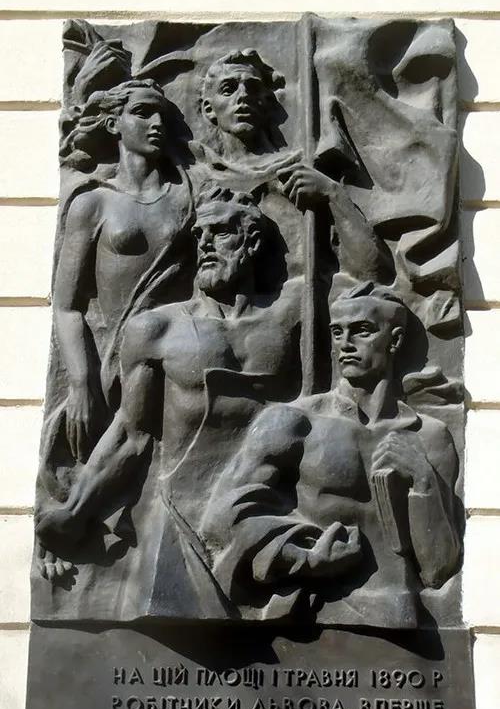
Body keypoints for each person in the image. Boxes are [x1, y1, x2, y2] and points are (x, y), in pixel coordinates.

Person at [36, 184, 302, 585]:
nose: (206, 245)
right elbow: (131, 433)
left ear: (251, 242)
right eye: (199, 235)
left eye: (221, 232)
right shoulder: (156, 329)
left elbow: (373, 279)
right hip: (183, 513)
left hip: (272, 509)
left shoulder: (292, 310)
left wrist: (331, 196)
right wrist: (74, 513)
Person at [200, 281, 461, 624]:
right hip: (310, 622)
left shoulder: (430, 436)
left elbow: (438, 572)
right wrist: (301, 556)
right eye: (338, 332)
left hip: (398, 617)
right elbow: (222, 518)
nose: (346, 344)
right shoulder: (294, 422)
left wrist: (423, 482)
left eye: (362, 330)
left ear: (395, 340)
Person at [52, 79, 194, 463]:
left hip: (178, 357)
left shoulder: (186, 200)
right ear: (114, 124)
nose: (156, 124)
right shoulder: (93, 203)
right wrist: (79, 384)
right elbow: (67, 306)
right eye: (142, 113)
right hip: (114, 362)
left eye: (162, 115)